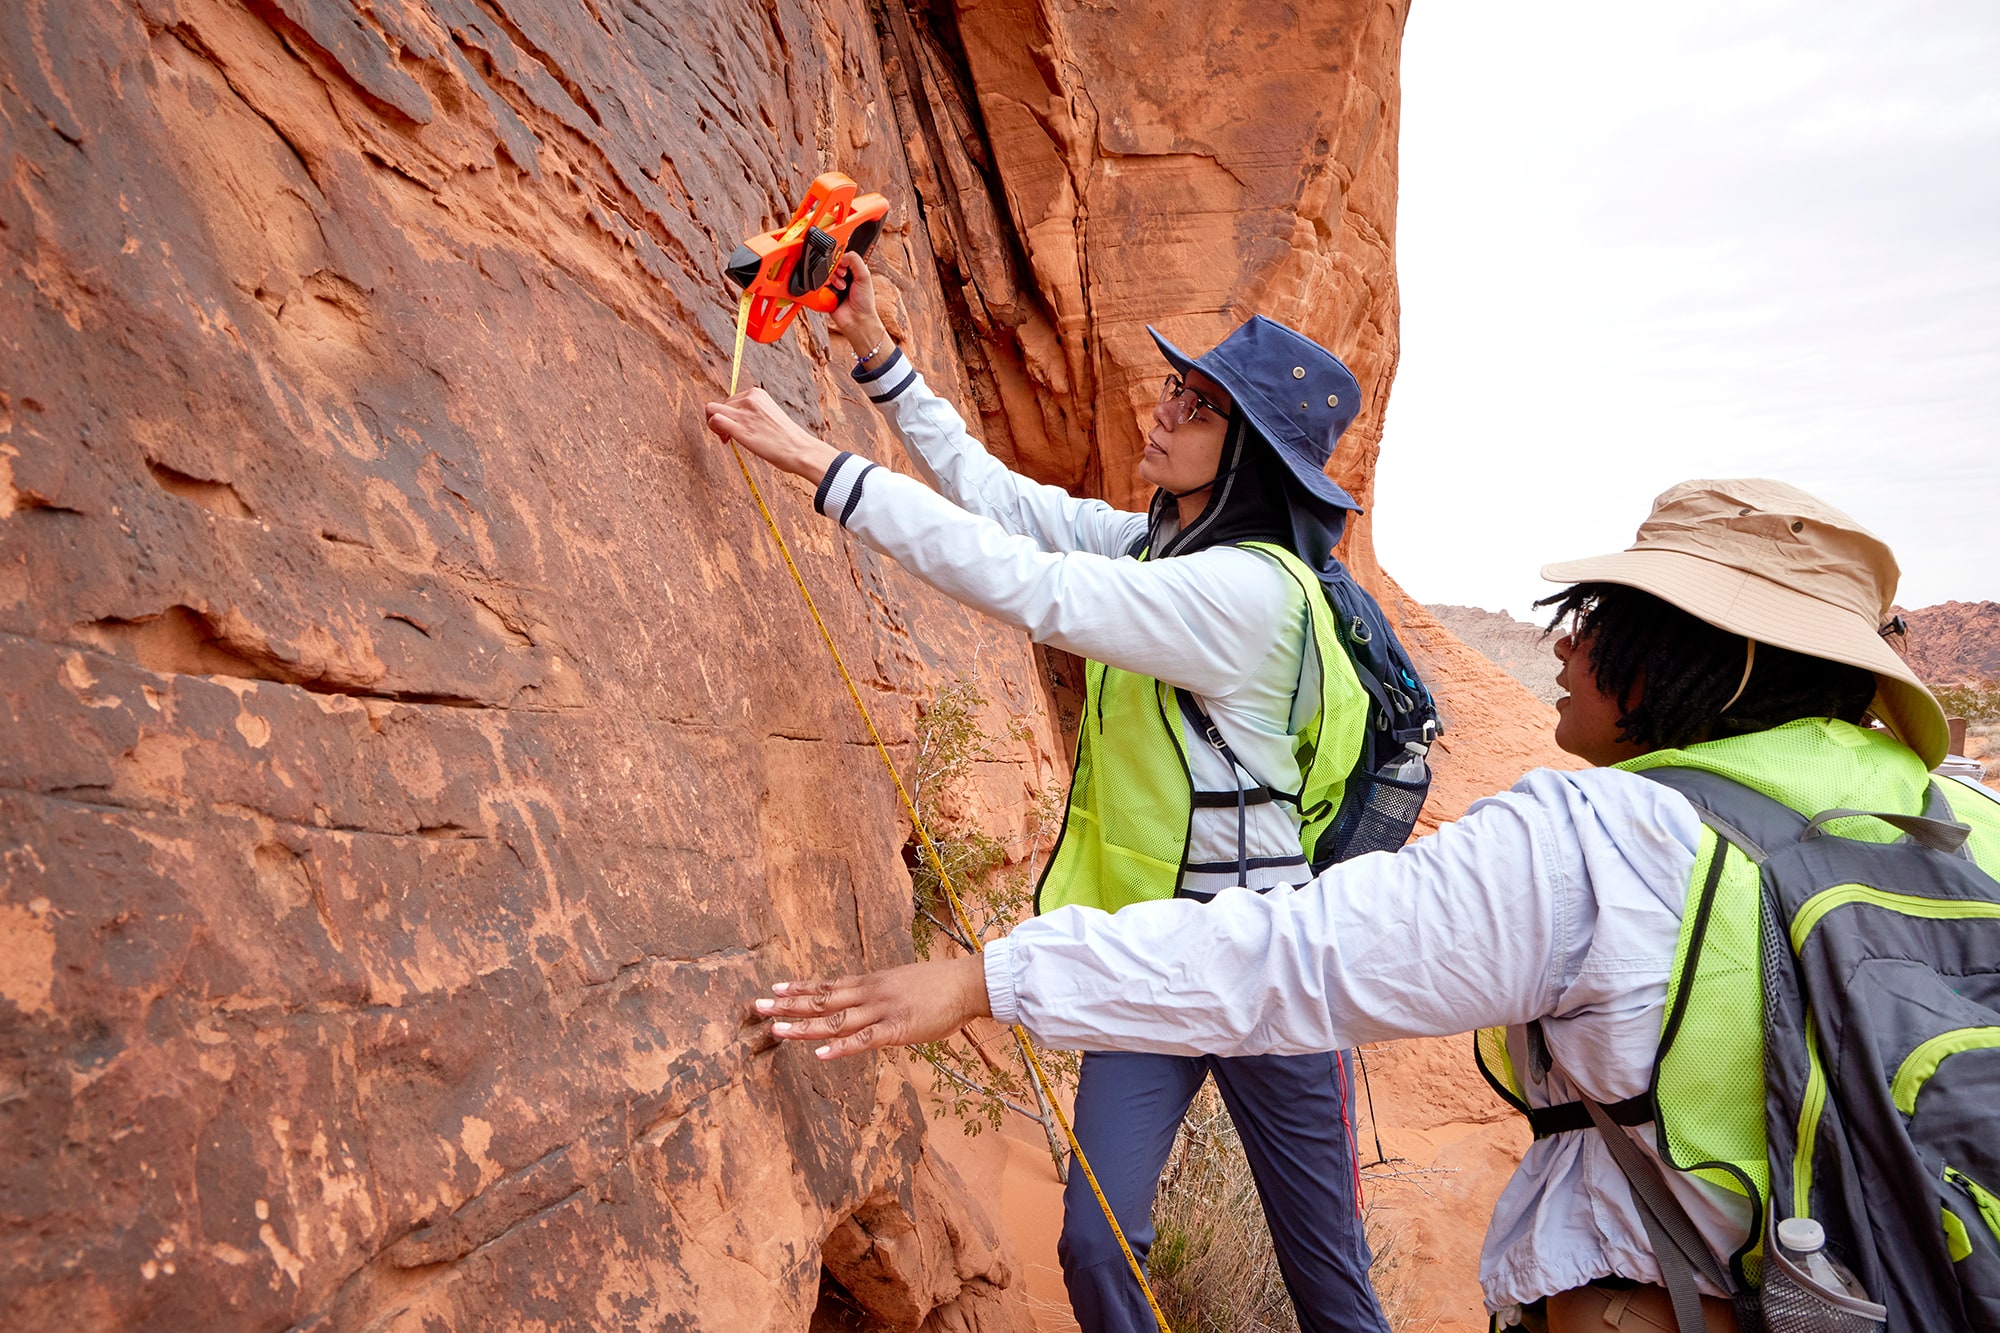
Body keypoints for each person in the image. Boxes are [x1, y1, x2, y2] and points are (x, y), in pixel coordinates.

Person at [755, 479, 2000, 1332]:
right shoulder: (1974, 824)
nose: (1559, 646)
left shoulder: (1603, 839)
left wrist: (983, 979)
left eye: (1593, 618)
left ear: (1708, 655)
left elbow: (1289, 956)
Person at [705, 255, 1392, 1333]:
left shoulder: (1244, 593)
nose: (1161, 409)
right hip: (1152, 950)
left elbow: (1037, 589)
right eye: (1174, 388)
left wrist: (819, 466)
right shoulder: (1160, 542)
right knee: (1093, 1238)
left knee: (1329, 1288)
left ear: (1247, 453)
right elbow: (1001, 502)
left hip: (1265, 965)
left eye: (1195, 405)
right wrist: (880, 359)